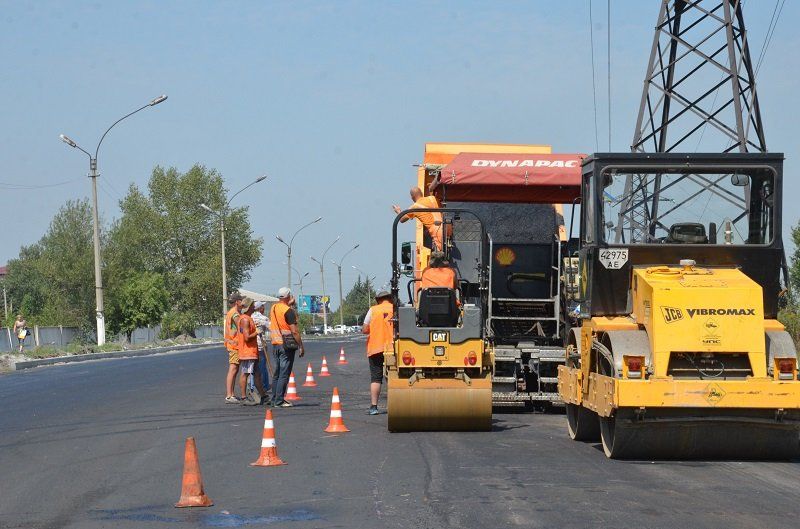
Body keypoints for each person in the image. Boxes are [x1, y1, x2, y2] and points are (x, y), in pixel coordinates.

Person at [269, 287, 305, 407]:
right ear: (288, 296)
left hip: (275, 344)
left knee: (277, 373)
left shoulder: (273, 308)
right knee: (284, 373)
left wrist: (289, 305)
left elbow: (281, 311)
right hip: (286, 346)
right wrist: (301, 346)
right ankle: (279, 401)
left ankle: (274, 399)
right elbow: (294, 331)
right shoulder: (288, 311)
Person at [362, 291, 394, 415]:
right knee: (392, 377)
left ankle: (374, 407)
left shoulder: (373, 310)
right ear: (390, 299)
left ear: (378, 300)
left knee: (376, 378)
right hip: (393, 349)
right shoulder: (395, 309)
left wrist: (373, 328)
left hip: (375, 348)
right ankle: (396, 404)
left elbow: (365, 329)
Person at [238, 297, 269, 406]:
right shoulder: (245, 319)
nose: (254, 306)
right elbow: (247, 337)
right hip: (247, 352)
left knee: (257, 374)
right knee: (245, 374)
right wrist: (257, 332)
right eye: (252, 305)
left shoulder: (247, 318)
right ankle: (243, 397)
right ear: (249, 307)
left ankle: (263, 396)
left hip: (252, 351)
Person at [224, 292, 243, 403]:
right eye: (241, 300)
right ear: (237, 302)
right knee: (233, 369)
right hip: (234, 344)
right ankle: (229, 395)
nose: (242, 303)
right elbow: (241, 325)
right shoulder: (235, 314)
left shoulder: (232, 312)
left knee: (234, 370)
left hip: (232, 344)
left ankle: (231, 394)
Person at [251, 301, 271, 395]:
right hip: (260, 345)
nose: (264, 308)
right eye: (262, 306)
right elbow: (271, 328)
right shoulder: (263, 318)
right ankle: (264, 386)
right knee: (262, 367)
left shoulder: (250, 317)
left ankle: (254, 386)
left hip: (251, 345)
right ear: (260, 308)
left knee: (253, 367)